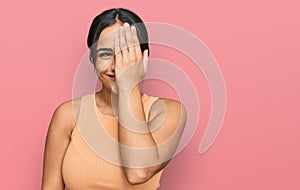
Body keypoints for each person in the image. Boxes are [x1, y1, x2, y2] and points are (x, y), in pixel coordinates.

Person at [42, 8, 187, 190]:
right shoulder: (68, 115)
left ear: (143, 58)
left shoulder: (167, 112)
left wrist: (128, 84)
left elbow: (138, 172)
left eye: (125, 52)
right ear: (92, 59)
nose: (116, 66)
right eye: (105, 54)